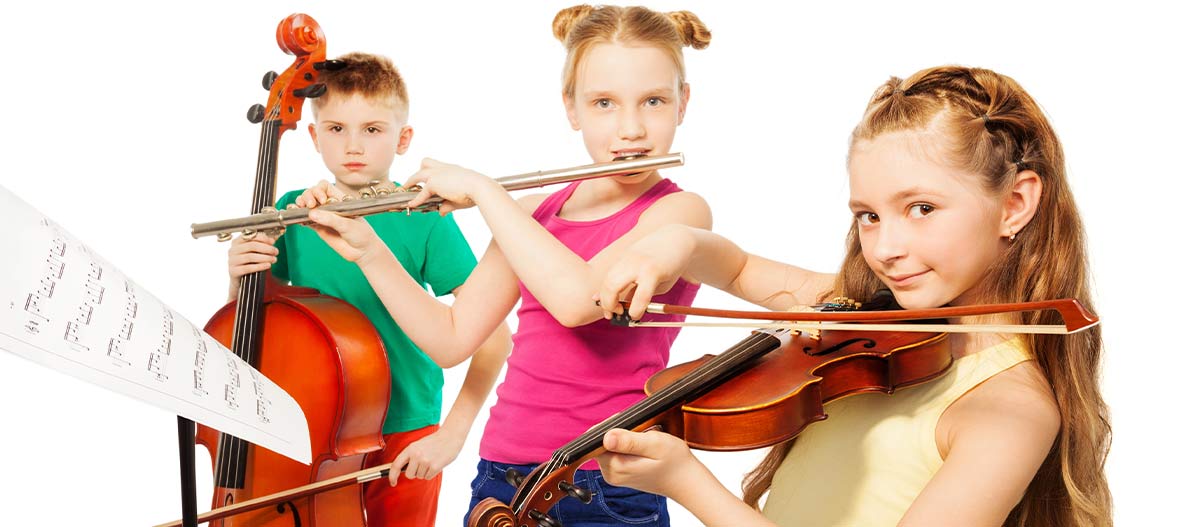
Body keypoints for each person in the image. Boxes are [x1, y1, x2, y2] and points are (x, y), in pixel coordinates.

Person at [594, 65, 1113, 526]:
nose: (885, 249)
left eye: (922, 208)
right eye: (869, 215)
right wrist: (672, 244)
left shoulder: (1010, 412)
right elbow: (738, 266)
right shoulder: (863, 327)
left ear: (1016, 203)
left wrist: (688, 484)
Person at [301, 5, 713, 526]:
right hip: (502, 476)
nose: (630, 129)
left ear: (683, 104)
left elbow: (577, 301)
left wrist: (483, 190)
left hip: (608, 480)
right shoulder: (531, 214)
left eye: (653, 101)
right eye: (604, 103)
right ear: (572, 108)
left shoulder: (680, 212)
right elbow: (452, 339)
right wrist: (369, 251)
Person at [225, 51, 512, 527]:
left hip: (406, 432)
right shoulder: (291, 211)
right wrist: (240, 279)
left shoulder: (425, 216)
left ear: (403, 139)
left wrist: (452, 435)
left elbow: (494, 337)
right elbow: (260, 330)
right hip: (314, 428)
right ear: (314, 135)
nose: (352, 145)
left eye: (372, 129)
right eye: (336, 129)